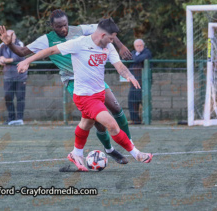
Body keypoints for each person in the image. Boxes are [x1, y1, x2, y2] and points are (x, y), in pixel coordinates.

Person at [0, 10, 133, 164]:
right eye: (59, 26)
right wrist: (9, 44)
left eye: (65, 25)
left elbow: (109, 30)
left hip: (93, 77)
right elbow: (21, 52)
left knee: (116, 107)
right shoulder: (46, 40)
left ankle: (130, 144)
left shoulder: (80, 30)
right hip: (73, 81)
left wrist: (120, 46)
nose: (64, 29)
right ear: (52, 26)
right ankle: (110, 150)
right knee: (97, 121)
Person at [16, 18, 153, 171]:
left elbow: (119, 65)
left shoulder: (108, 46)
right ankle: (136, 154)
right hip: (85, 97)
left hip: (99, 93)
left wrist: (129, 75)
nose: (113, 41)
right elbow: (51, 50)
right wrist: (27, 61)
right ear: (102, 36)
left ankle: (76, 153)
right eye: (111, 38)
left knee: (85, 124)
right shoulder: (79, 43)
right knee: (112, 125)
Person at [0, 29, 27, 125]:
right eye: (8, 36)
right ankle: (11, 118)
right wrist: (0, 60)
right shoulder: (2, 45)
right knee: (8, 97)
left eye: (12, 35)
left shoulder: (20, 44)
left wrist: (6, 60)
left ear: (14, 36)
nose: (10, 37)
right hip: (8, 76)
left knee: (20, 97)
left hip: (20, 76)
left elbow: (19, 57)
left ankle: (20, 119)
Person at [128, 39, 152, 124]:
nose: (139, 47)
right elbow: (128, 59)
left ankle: (147, 120)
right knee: (132, 101)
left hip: (143, 82)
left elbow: (137, 59)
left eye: (140, 45)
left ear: (143, 45)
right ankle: (135, 120)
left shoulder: (147, 52)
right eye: (137, 46)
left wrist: (134, 58)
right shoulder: (133, 53)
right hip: (133, 82)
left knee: (143, 100)